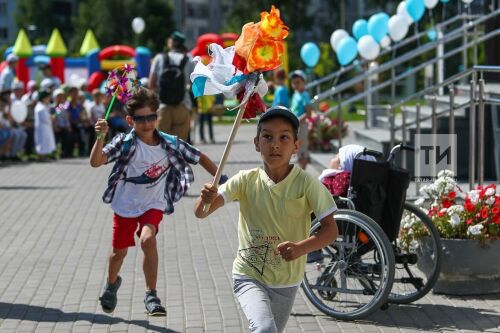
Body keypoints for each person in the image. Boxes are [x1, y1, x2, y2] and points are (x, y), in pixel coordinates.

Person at [194, 106, 338, 333]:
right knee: (264, 329)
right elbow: (201, 213)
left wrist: (301, 248)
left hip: (287, 281)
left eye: (284, 137)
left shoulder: (307, 183)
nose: (275, 144)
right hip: (248, 275)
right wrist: (206, 198)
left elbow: (330, 230)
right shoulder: (245, 179)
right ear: (256, 142)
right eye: (267, 136)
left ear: (296, 145)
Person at [90, 87, 221, 316]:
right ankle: (111, 284)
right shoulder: (125, 143)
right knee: (118, 253)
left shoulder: (169, 143)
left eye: (151, 117)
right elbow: (96, 161)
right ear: (130, 120)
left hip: (153, 203)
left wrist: (222, 180)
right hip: (125, 206)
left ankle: (151, 295)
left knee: (147, 240)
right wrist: (100, 137)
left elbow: (199, 157)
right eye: (141, 119)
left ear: (157, 116)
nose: (147, 123)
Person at [148, 31, 194, 141]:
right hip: (183, 105)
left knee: (162, 144)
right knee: (179, 145)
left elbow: (151, 84)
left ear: (172, 42)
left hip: (163, 106)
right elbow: (193, 84)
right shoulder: (189, 60)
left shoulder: (159, 58)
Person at [289, 70, 312, 170]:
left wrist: (297, 120)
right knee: (296, 147)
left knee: (302, 147)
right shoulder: (295, 94)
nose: (295, 85)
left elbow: (308, 113)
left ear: (304, 82)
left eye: (298, 82)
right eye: (294, 82)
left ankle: (303, 170)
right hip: (295, 124)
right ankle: (299, 170)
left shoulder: (305, 95)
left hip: (301, 125)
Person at [34, 90, 56, 161]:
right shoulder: (40, 108)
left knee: (45, 142)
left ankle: (44, 156)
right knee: (42, 142)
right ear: (44, 98)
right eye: (48, 97)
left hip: (45, 128)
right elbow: (46, 118)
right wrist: (52, 117)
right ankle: (41, 157)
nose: (49, 99)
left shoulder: (44, 106)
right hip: (42, 128)